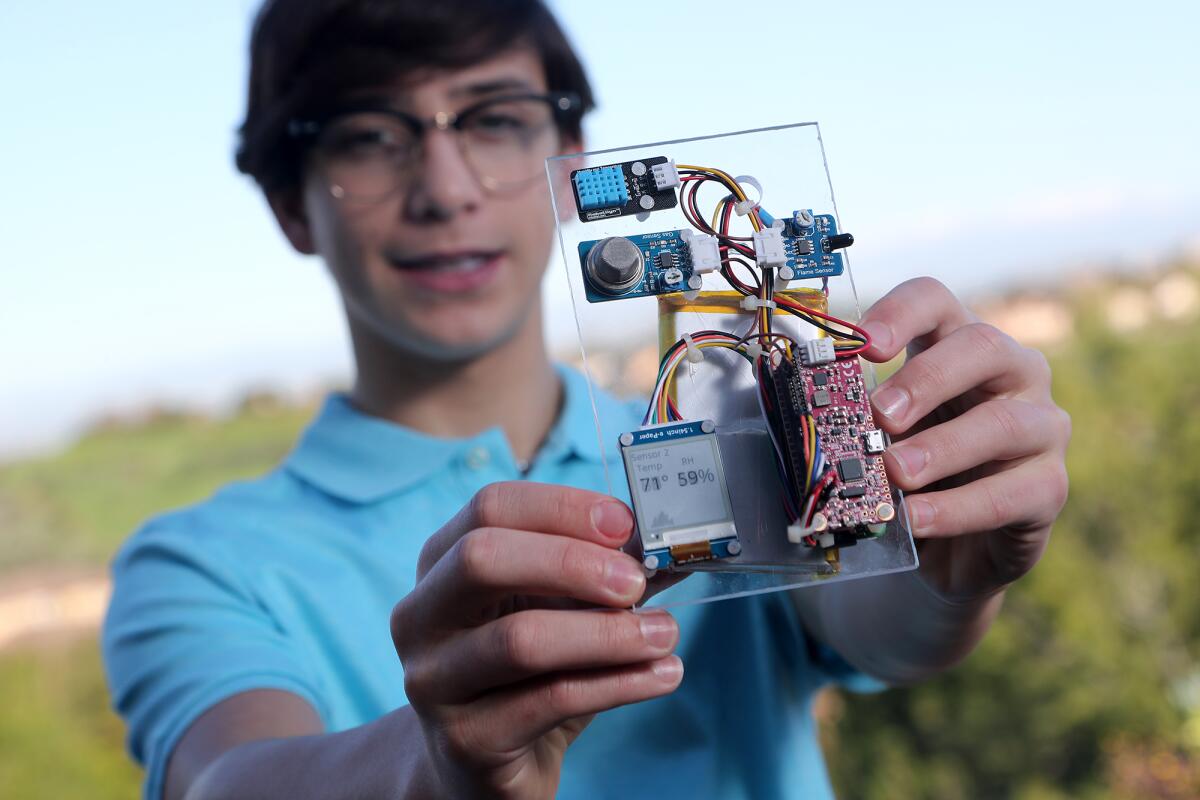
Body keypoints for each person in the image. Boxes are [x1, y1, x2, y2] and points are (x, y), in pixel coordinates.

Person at [101, 1, 1072, 798]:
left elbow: (888, 625)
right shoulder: (198, 564)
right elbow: (227, 777)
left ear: (571, 162)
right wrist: (430, 764)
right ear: (289, 202)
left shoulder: (733, 425)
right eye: (367, 136)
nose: (446, 187)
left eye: (493, 120)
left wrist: (953, 561)